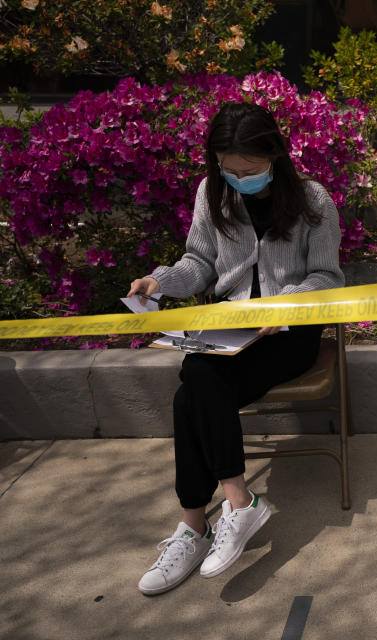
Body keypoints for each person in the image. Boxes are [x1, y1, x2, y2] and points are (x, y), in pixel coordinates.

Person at [127, 101, 345, 595]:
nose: (238, 178)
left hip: (290, 335)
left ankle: (198, 523)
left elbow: (327, 279)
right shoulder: (213, 192)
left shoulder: (313, 201)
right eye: (228, 169)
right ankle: (229, 508)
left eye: (249, 170)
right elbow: (199, 262)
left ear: (275, 155)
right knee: (198, 383)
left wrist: (281, 307)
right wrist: (158, 283)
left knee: (196, 384)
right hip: (228, 329)